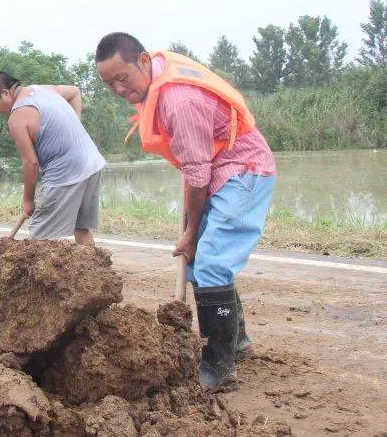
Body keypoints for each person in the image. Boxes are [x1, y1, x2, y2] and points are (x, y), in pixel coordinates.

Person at [94, 32, 276, 391]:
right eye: (109, 83)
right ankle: (236, 342)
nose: (118, 89)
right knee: (200, 264)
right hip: (217, 169)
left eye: (122, 78)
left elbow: (197, 173)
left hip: (243, 170)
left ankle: (220, 368)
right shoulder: (156, 80)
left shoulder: (180, 102)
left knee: (210, 262)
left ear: (143, 62)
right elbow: (196, 165)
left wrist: (191, 232)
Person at [0, 71, 106, 244]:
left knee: (38, 241)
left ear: (5, 93)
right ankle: (93, 269)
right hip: (92, 163)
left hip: (65, 172)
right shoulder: (42, 89)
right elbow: (75, 92)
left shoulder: (16, 118)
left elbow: (30, 163)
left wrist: (28, 201)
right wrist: (75, 124)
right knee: (81, 227)